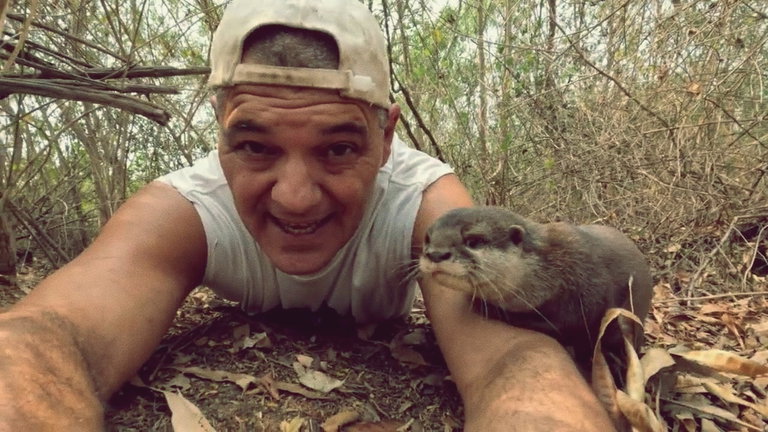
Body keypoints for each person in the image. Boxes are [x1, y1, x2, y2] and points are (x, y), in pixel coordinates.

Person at [0, 0, 615, 430]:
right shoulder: (186, 207)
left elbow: (514, 361)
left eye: (339, 148)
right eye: (256, 146)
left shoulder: (427, 206)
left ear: (386, 136)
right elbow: (47, 335)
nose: (295, 197)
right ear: (219, 132)